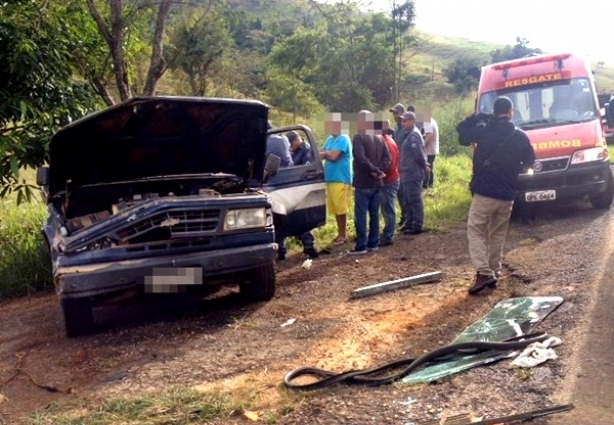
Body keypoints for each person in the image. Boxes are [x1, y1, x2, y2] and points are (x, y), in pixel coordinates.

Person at [456, 96, 535, 295]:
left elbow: (461, 132)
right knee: (497, 234)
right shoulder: (520, 136)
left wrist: (476, 117)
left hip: (485, 192)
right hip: (507, 194)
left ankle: (484, 273)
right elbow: (529, 162)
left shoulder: (485, 131)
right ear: (511, 112)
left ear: (495, 111)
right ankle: (494, 271)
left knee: (475, 230)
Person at [349, 110, 391, 254]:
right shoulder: (379, 136)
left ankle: (362, 245)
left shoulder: (359, 137)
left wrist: (374, 170)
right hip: (377, 182)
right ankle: (373, 243)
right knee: (374, 214)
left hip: (363, 182)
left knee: (361, 215)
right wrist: (378, 171)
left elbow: (360, 158)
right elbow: (388, 158)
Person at [283, 130, 319, 259]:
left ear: (296, 141)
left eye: (291, 145)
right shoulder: (297, 151)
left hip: (301, 186)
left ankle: (309, 246)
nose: (290, 148)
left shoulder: (307, 150)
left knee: (301, 218)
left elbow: (304, 169)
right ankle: (305, 247)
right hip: (293, 187)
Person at [319, 113, 353, 245]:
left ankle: (343, 235)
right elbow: (319, 153)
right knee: (335, 209)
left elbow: (334, 156)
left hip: (341, 179)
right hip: (331, 179)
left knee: (341, 208)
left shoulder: (343, 138)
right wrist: (326, 153)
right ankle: (340, 233)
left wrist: (327, 154)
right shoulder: (330, 140)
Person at [398, 111, 429, 235]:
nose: (402, 123)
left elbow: (418, 155)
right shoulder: (408, 134)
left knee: (414, 199)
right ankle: (409, 223)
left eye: (405, 121)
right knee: (407, 199)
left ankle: (417, 225)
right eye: (402, 121)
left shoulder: (414, 135)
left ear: (412, 121)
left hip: (413, 172)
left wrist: (424, 166)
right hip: (406, 172)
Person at [379, 126, 400, 247]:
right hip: (389, 179)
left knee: (388, 208)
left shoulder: (387, 143)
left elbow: (390, 165)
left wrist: (379, 172)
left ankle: (388, 236)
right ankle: (387, 232)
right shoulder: (386, 140)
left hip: (389, 180)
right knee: (386, 208)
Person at [422, 116, 439, 188]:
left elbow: (429, 134)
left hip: (429, 149)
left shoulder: (427, 121)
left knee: (427, 167)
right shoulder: (431, 120)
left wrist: (422, 145)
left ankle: (427, 185)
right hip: (432, 149)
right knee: (430, 167)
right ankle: (430, 185)